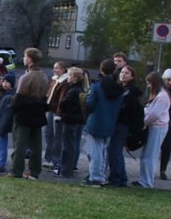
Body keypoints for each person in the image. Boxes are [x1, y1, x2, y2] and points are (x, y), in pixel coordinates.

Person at [9, 48, 49, 179]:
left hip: (24, 114)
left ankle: (16, 171)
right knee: (36, 145)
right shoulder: (44, 76)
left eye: (25, 56)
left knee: (20, 144)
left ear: (30, 59)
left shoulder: (26, 77)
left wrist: (12, 108)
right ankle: (34, 172)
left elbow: (19, 99)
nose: (23, 59)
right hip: (38, 113)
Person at [83, 59, 123, 187]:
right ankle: (101, 175)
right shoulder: (119, 89)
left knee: (94, 151)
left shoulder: (97, 87)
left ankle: (95, 177)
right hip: (110, 121)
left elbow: (89, 104)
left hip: (96, 121)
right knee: (103, 151)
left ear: (101, 69)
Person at [107, 65, 143, 187]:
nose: (123, 74)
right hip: (119, 123)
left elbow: (128, 109)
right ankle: (121, 177)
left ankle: (116, 178)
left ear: (132, 76)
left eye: (127, 73)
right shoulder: (122, 89)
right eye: (122, 72)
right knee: (115, 151)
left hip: (122, 124)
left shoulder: (130, 92)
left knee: (114, 151)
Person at [134, 72, 171, 188]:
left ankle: (147, 181)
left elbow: (154, 114)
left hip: (158, 127)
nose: (148, 86)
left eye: (149, 83)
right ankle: (144, 179)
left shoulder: (162, 96)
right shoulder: (160, 95)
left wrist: (142, 122)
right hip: (155, 126)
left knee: (150, 155)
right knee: (147, 154)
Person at [58, 67, 87, 178]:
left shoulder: (73, 90)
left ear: (75, 77)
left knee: (68, 145)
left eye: (69, 75)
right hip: (78, 119)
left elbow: (64, 103)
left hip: (70, 119)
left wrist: (62, 104)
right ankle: (69, 167)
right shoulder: (81, 89)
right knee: (74, 144)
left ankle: (66, 170)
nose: (68, 77)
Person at [43, 61, 69, 173]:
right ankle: (48, 157)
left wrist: (58, 114)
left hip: (56, 112)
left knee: (57, 137)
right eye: (54, 68)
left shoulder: (64, 82)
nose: (54, 70)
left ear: (63, 70)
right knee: (48, 134)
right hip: (50, 110)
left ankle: (55, 159)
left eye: (57, 68)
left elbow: (61, 99)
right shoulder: (54, 80)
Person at [0, 72, 16, 174]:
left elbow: (7, 114)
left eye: (7, 82)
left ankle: (1, 166)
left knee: (1, 146)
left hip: (2, 126)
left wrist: (2, 127)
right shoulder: (5, 94)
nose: (4, 83)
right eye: (4, 81)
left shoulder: (10, 96)